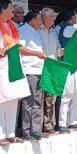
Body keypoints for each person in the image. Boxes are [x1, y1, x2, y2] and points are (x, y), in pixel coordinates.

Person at [0, 0, 31, 145]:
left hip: (14, 65)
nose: (12, 11)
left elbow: (17, 46)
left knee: (13, 99)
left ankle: (10, 133)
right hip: (1, 67)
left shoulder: (13, 26)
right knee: (0, 101)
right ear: (2, 10)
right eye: (10, 9)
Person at [19, 10, 48, 140]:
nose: (41, 23)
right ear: (32, 20)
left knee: (37, 101)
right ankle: (26, 131)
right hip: (29, 70)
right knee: (28, 102)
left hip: (39, 70)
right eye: (39, 20)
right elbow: (21, 49)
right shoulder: (23, 30)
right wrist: (36, 54)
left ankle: (35, 129)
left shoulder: (36, 32)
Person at [58, 9, 77, 133]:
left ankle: (73, 121)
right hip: (70, 65)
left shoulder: (70, 28)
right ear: (71, 17)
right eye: (75, 16)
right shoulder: (68, 28)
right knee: (67, 95)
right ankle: (62, 122)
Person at [38, 7, 61, 134]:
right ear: (45, 18)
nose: (54, 18)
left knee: (50, 99)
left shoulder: (54, 32)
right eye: (52, 16)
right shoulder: (37, 31)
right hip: (40, 69)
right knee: (39, 99)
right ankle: (38, 126)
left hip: (52, 69)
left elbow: (57, 48)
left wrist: (60, 51)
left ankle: (48, 125)